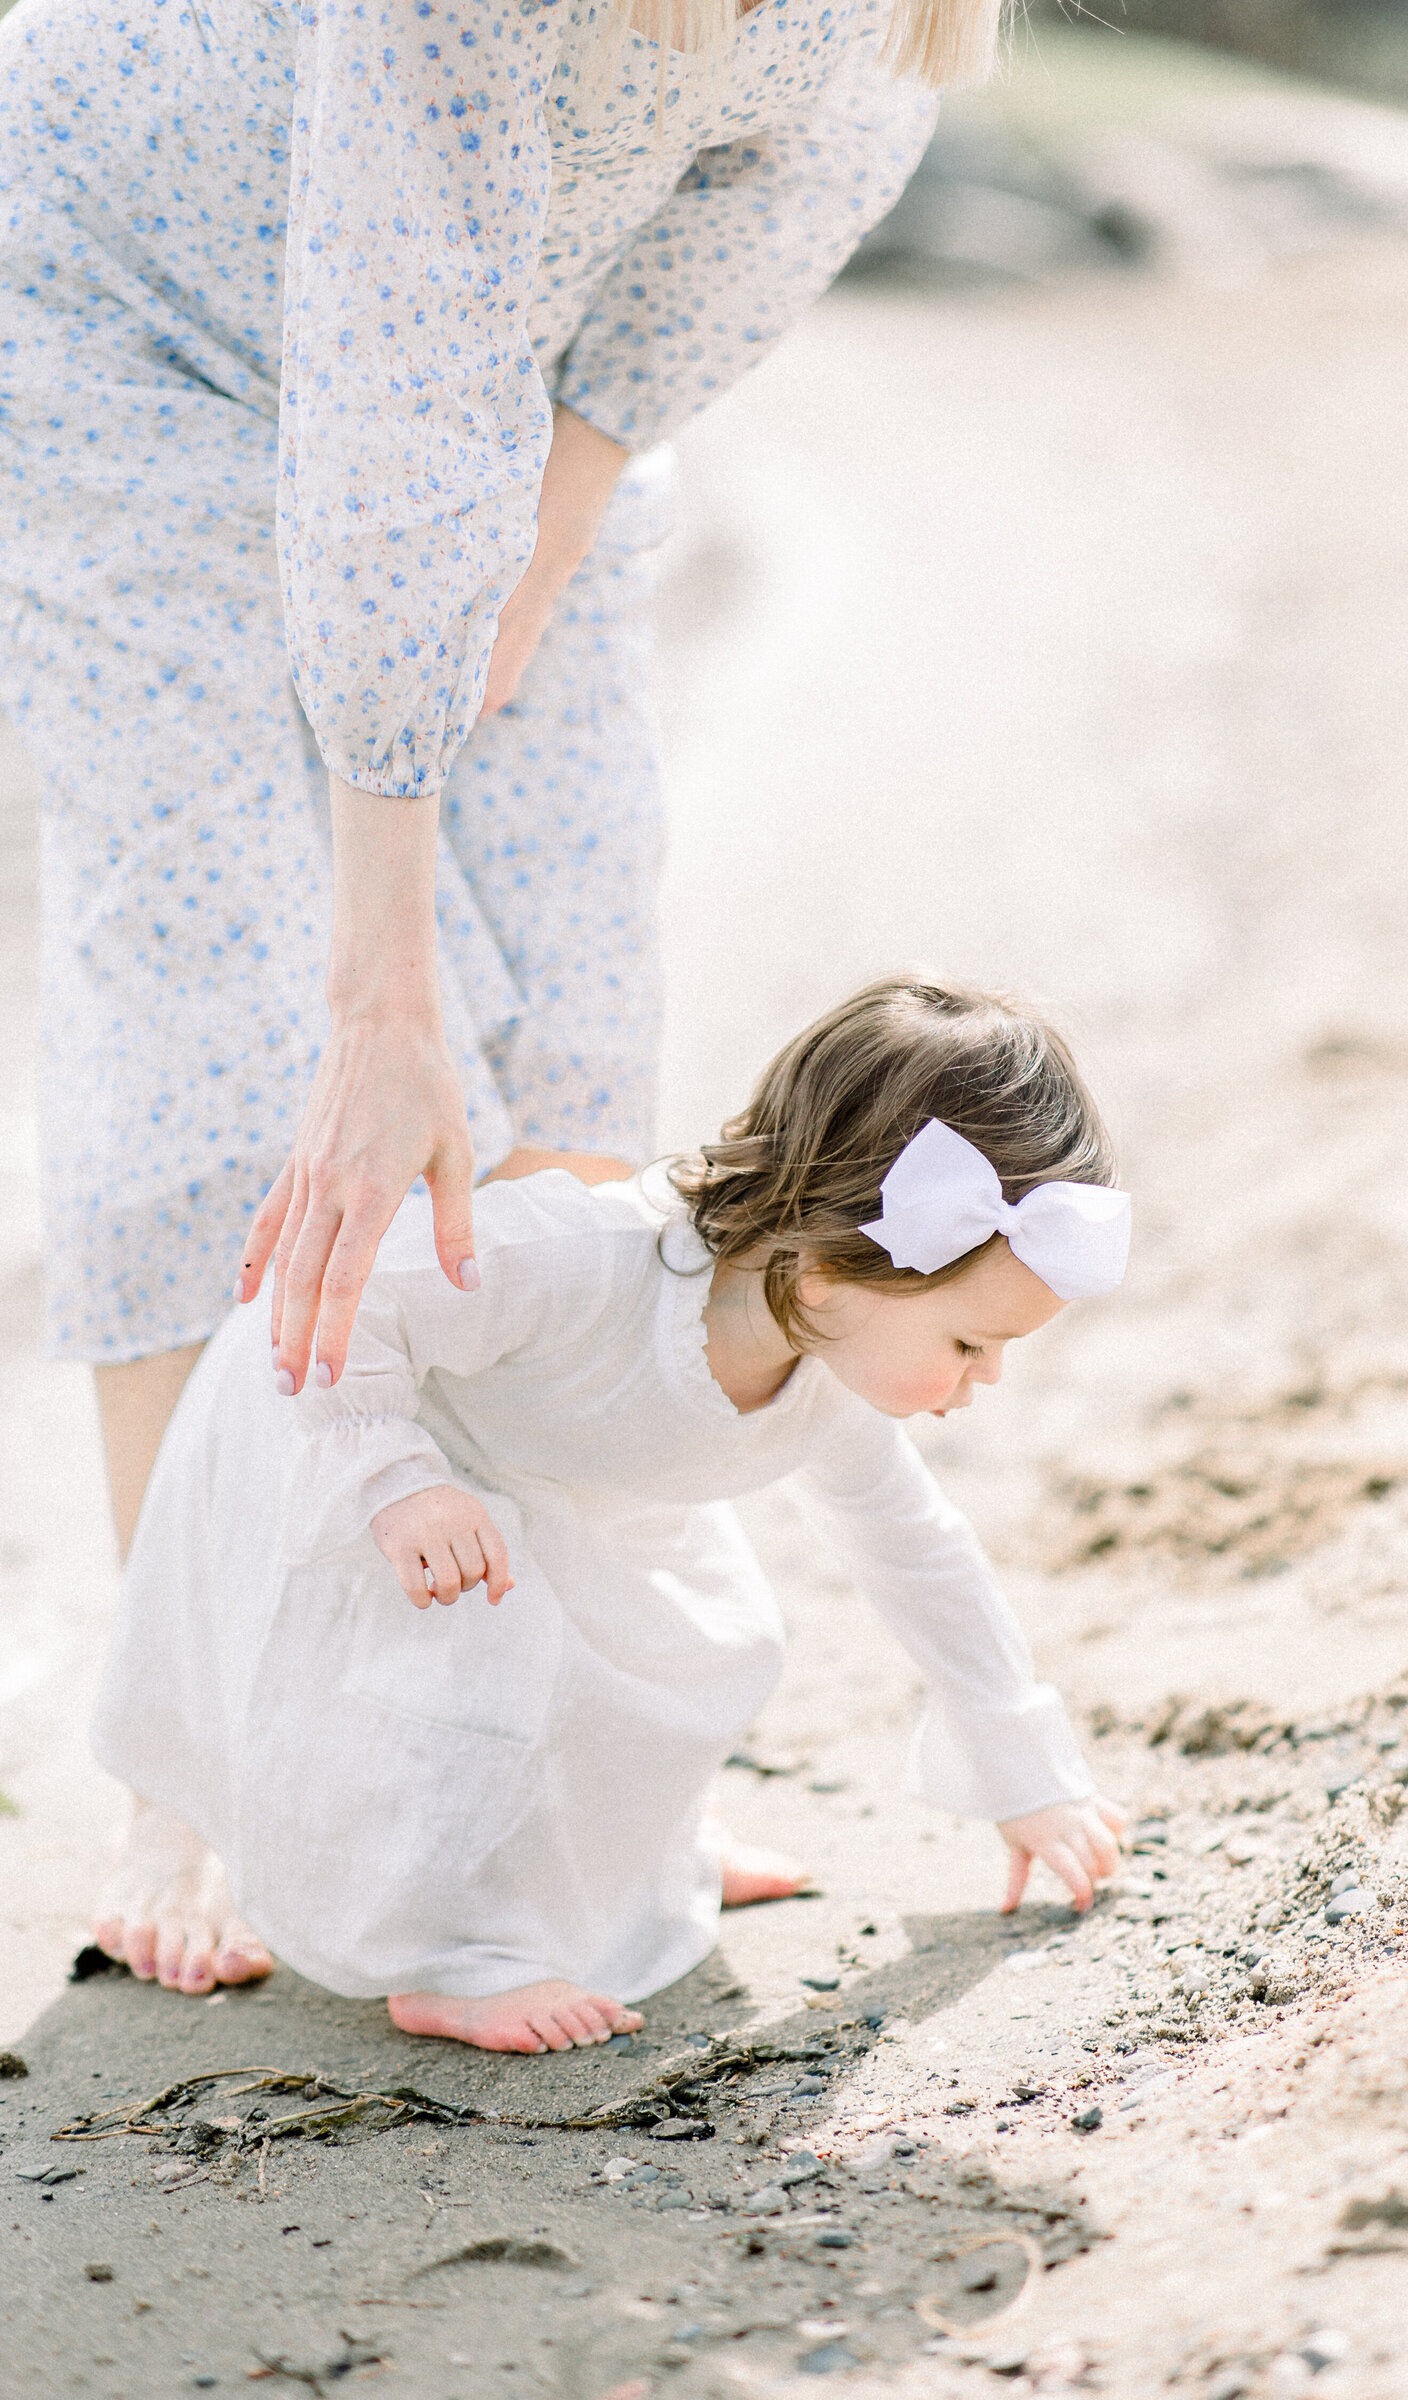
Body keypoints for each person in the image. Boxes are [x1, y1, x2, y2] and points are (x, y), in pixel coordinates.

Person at [0, 0, 984, 1580]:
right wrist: (377, 1004)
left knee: (575, 1006)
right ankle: (224, 1770)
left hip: (507, 359)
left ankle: (548, 1710)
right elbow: (399, 364)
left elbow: (808, 171)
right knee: (237, 1048)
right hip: (131, 317)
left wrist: (557, 509)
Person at [90, 978, 1133, 2047]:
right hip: (358, 1432)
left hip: (558, 1490)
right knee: (486, 1657)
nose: (990, 1374)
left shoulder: (823, 1372)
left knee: (694, 1649)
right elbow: (338, 1301)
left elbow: (918, 1553)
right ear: (822, 1277)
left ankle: (640, 1870)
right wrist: (396, 1478)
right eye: (970, 1341)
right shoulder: (573, 1256)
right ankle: (453, 1957)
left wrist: (1023, 1771)